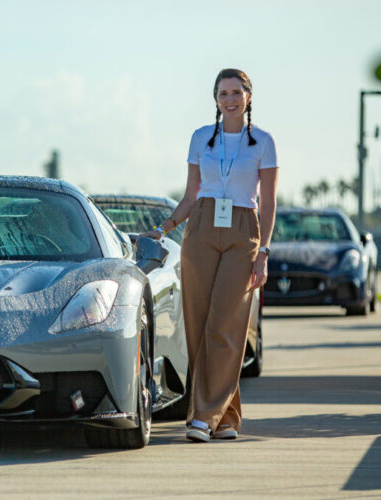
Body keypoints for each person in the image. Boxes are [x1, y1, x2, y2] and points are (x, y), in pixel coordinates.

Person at [144, 68, 278, 442]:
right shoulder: (201, 138)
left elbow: (268, 204)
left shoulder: (263, 142)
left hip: (242, 230)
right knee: (199, 326)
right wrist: (165, 228)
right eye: (223, 93)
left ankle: (202, 417)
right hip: (201, 227)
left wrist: (263, 252)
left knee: (226, 324)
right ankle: (227, 417)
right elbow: (190, 195)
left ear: (248, 97)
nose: (230, 99)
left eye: (236, 92)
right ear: (216, 99)